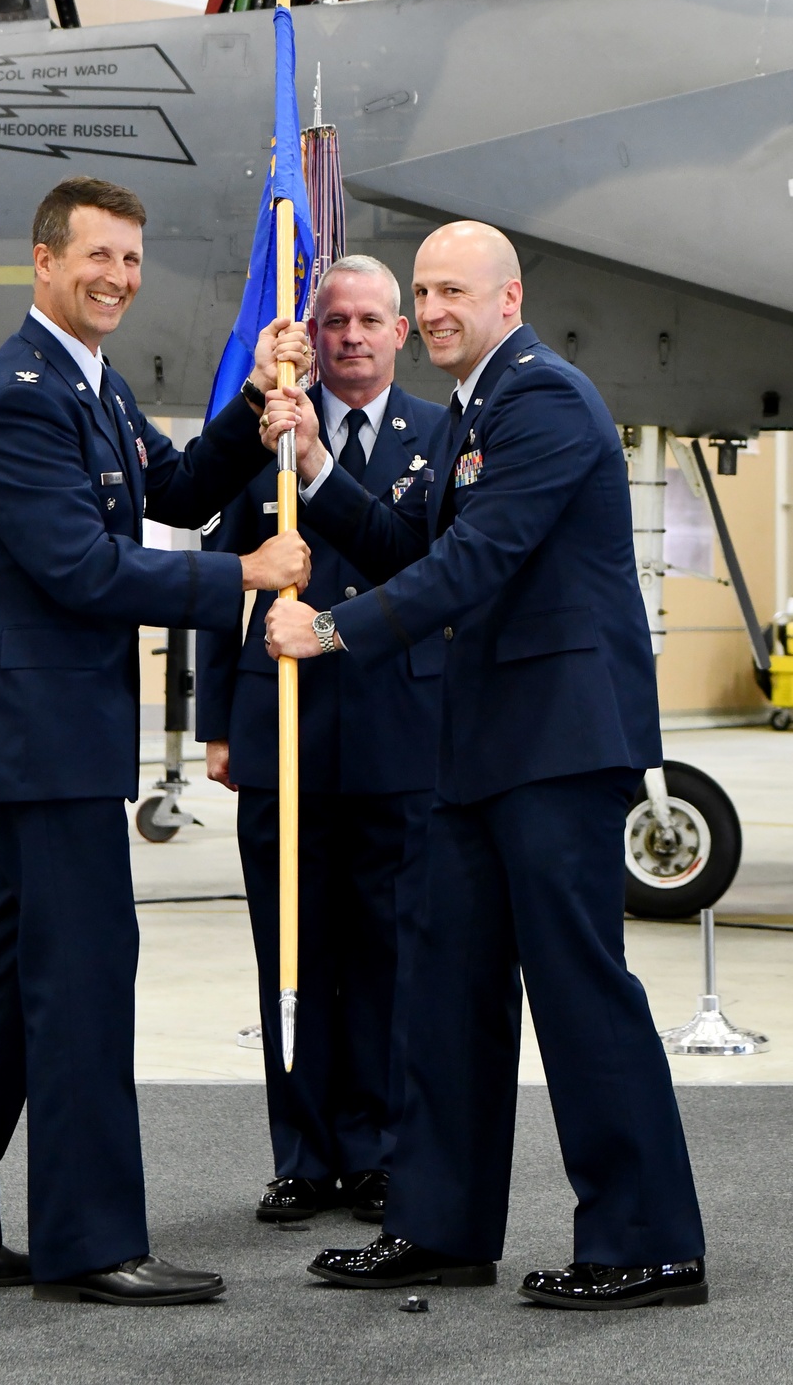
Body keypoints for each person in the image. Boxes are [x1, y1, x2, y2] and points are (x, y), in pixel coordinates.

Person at [0, 176, 311, 1307]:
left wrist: (251, 402)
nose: (117, 277)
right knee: (79, 985)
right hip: (45, 742)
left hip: (52, 738)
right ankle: (89, 1240)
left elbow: (165, 487)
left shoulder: (91, 382)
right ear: (43, 260)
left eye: (130, 258)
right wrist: (241, 580)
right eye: (97, 257)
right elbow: (82, 568)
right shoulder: (23, 394)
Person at [262, 221, 707, 1310]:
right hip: (480, 749)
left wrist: (332, 631)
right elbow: (410, 538)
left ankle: (647, 1241)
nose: (436, 308)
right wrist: (315, 468)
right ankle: (439, 1223)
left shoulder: (544, 398)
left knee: (576, 991)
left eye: (455, 288)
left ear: (509, 298)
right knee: (445, 991)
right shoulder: (475, 411)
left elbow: (477, 558)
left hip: (555, 742)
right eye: (426, 289)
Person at [196, 255, 446, 1225]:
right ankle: (300, 1154)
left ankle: (375, 1146)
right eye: (333, 319)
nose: (348, 336)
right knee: (289, 953)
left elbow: (428, 566)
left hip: (395, 729)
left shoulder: (439, 437)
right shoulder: (259, 437)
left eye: (368, 320)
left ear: (400, 332)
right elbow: (224, 587)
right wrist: (213, 722)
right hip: (279, 726)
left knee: (385, 953)